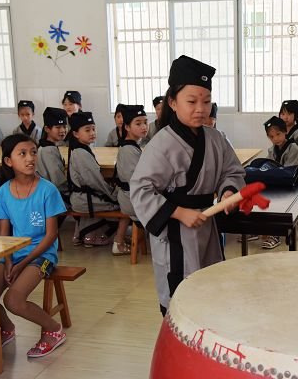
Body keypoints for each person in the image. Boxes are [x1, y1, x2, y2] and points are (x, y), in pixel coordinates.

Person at [130, 55, 245, 315]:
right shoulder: (162, 144)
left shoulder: (216, 138)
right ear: (173, 102)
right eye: (191, 101)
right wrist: (180, 212)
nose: (200, 108)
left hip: (207, 226)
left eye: (206, 101)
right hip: (175, 231)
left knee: (210, 287)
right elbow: (141, 189)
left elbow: (232, 170)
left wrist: (228, 190)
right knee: (180, 296)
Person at [0, 134, 67, 357]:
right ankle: (6, 328)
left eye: (33, 152)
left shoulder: (47, 190)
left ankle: (54, 330)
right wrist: (7, 261)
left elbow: (51, 235)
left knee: (13, 300)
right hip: (13, 254)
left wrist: (22, 262)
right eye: (22, 153)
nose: (30, 158)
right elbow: (4, 233)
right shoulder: (3, 192)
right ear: (9, 161)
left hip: (42, 256)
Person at [67, 111, 124, 248]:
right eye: (87, 130)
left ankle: (83, 234)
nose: (92, 132)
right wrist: (113, 194)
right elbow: (96, 183)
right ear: (76, 134)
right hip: (83, 200)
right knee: (122, 205)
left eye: (93, 128)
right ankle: (96, 236)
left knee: (105, 196)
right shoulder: (81, 153)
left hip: (81, 197)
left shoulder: (79, 148)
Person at [259, 116, 298, 249]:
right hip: (278, 181)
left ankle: (277, 233)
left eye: (278, 134)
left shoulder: (293, 148)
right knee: (261, 193)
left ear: (285, 131)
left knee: (278, 199)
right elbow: (268, 166)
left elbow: (290, 171)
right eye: (271, 137)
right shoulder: (271, 150)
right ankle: (263, 229)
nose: (275, 139)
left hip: (291, 183)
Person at [113, 104, 148, 255]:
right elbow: (136, 179)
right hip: (132, 199)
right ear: (127, 127)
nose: (144, 127)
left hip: (130, 196)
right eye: (138, 123)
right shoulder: (128, 150)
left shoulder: (132, 146)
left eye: (145, 122)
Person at [37, 107, 69, 204]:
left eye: (64, 126)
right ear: (47, 129)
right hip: (51, 198)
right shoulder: (48, 151)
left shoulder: (45, 146)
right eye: (58, 127)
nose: (63, 130)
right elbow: (58, 182)